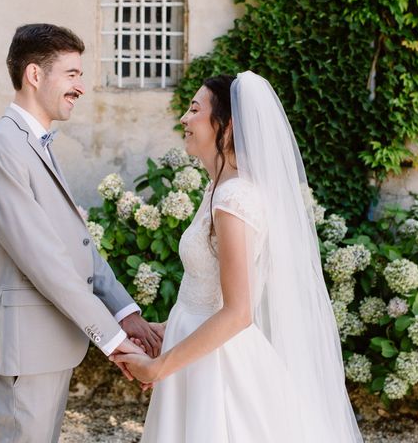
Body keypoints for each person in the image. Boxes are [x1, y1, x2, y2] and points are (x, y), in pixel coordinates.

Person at [112, 71, 363, 442]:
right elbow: (205, 294)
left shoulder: (234, 200)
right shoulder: (218, 189)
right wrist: (163, 331)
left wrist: (159, 367)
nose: (184, 118)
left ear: (226, 128)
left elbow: (238, 311)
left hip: (219, 368)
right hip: (197, 355)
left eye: (195, 109)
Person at [0, 23, 162, 442]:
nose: (81, 87)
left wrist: (125, 314)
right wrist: (112, 340)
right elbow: (44, 260)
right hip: (27, 344)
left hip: (49, 341)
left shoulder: (37, 144)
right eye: (72, 74)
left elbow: (78, 245)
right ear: (34, 75)